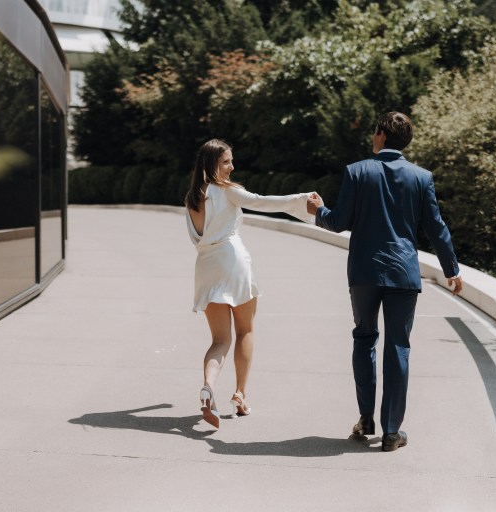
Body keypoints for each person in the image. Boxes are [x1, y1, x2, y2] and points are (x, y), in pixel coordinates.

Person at [306, 112, 462, 451]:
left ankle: (365, 419)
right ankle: (391, 432)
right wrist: (451, 268)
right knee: (398, 346)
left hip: (364, 272)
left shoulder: (357, 171)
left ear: (380, 134)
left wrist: (318, 210)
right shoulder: (421, 177)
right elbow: (435, 227)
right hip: (403, 272)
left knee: (364, 338)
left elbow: (339, 221)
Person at [185, 139, 317, 429]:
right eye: (226, 162)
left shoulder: (192, 198)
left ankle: (208, 386)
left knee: (219, 340)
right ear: (211, 164)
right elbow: (260, 201)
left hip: (206, 266)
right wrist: (302, 200)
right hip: (233, 262)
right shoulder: (227, 190)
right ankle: (240, 394)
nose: (232, 167)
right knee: (245, 330)